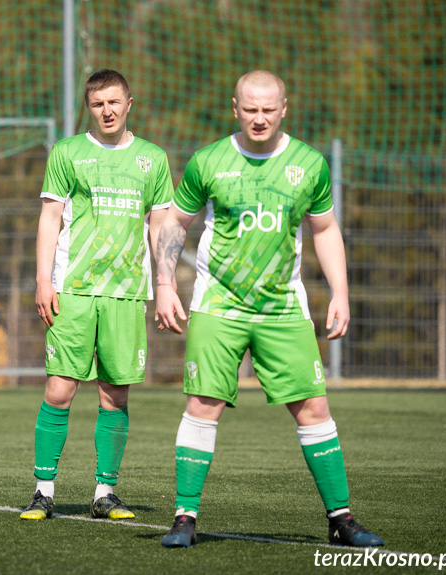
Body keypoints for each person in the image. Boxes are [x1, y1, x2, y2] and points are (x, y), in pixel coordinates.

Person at [154, 70, 383, 548]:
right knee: (203, 404)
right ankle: (184, 517)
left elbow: (324, 230)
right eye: (250, 109)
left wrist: (340, 292)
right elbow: (175, 223)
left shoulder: (310, 164)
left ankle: (341, 519)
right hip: (218, 305)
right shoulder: (209, 160)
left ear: (285, 109)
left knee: (314, 407)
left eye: (268, 109)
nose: (259, 119)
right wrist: (164, 285)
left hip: (283, 307)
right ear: (234, 107)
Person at [20, 69, 174, 521]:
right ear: (89, 108)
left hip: (127, 294)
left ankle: (104, 493)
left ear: (130, 103)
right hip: (74, 289)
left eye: (113, 102)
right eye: (97, 104)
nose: (106, 111)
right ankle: (43, 491)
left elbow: (161, 224)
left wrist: (164, 286)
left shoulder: (152, 158)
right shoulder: (68, 152)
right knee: (60, 388)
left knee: (115, 396)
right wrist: (42, 280)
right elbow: (50, 217)